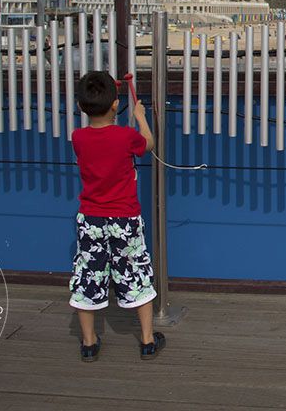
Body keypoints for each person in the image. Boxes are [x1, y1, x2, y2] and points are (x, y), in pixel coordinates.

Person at [69, 71, 166, 361]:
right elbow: (148, 144)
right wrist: (140, 116)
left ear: (80, 106)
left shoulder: (79, 138)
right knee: (135, 271)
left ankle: (88, 343)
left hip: (90, 219)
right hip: (124, 219)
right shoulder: (126, 137)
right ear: (115, 105)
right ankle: (147, 340)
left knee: (88, 273)